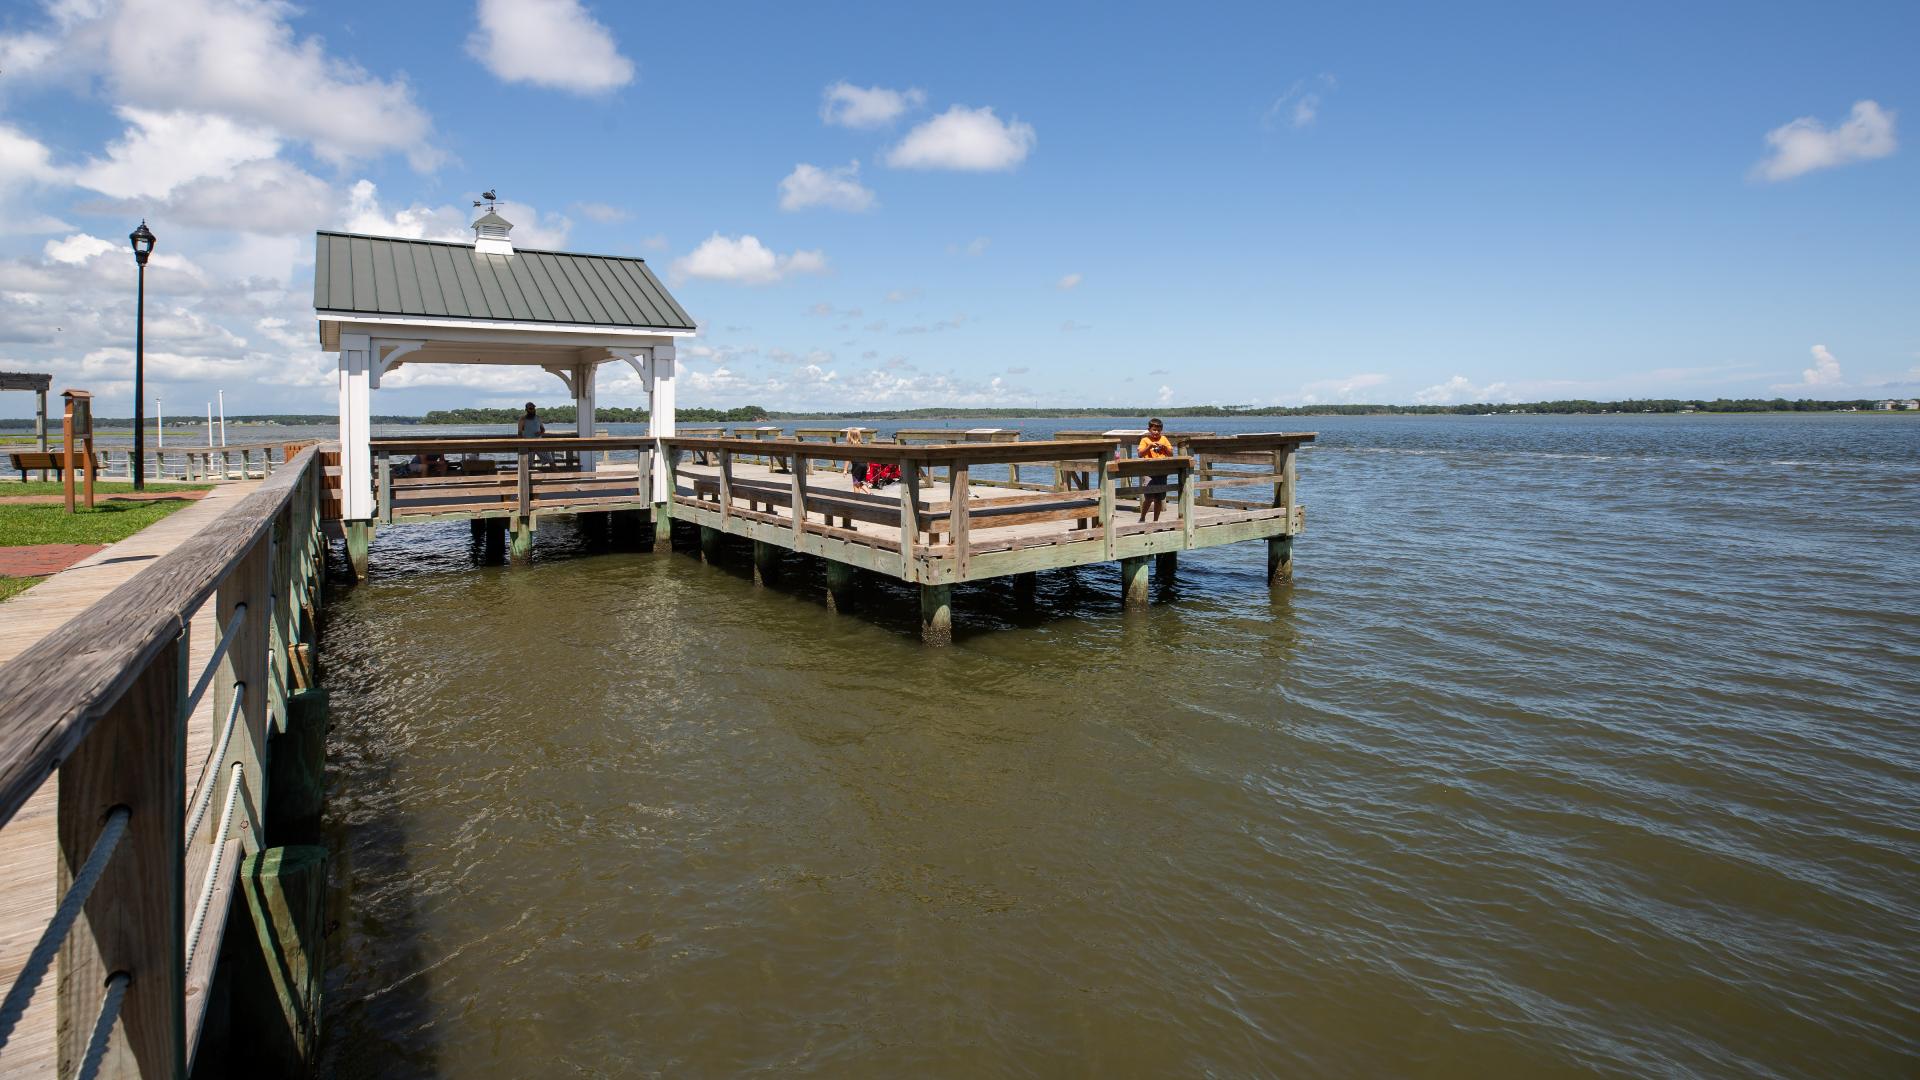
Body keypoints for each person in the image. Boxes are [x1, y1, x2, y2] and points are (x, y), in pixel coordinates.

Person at [1137, 417, 1175, 522]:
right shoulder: (1145, 440)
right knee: (1148, 498)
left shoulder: (1164, 439)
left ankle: (1155, 521)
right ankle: (1142, 517)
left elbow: (1171, 454)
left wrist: (1164, 447)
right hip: (1148, 472)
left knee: (1159, 498)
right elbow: (1140, 454)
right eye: (1154, 430)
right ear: (1149, 429)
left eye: (1158, 430)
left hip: (1162, 472)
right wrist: (1149, 446)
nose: (1156, 432)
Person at [846, 428, 870, 492]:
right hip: (864, 465)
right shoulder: (862, 445)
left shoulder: (850, 446)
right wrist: (868, 466)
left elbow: (847, 459)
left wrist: (845, 470)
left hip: (857, 467)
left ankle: (856, 499)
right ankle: (870, 493)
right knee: (861, 482)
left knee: (856, 484)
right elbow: (866, 456)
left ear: (849, 437)